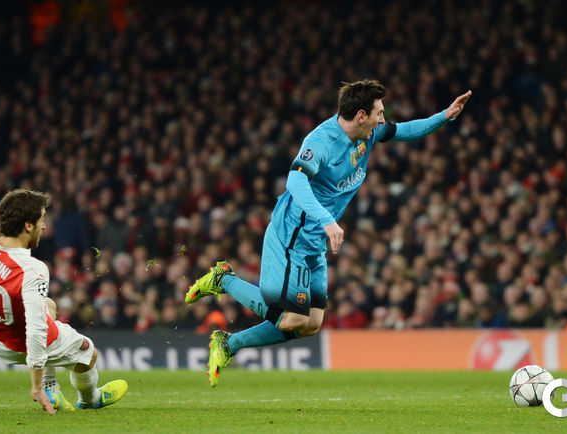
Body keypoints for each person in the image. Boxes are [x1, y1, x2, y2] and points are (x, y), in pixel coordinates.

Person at [187, 80, 471, 386]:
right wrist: (327, 220)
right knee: (291, 317)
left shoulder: (370, 134)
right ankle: (223, 279)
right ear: (361, 115)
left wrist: (444, 116)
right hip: (291, 236)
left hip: (315, 241)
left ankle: (228, 344)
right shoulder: (321, 141)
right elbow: (295, 182)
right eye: (378, 112)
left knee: (310, 324)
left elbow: (405, 130)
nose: (382, 119)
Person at [0, 189, 128, 414]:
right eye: (42, 219)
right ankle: (89, 399)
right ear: (28, 225)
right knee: (89, 354)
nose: (44, 226)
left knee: (49, 305)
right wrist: (36, 386)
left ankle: (51, 387)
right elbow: (36, 329)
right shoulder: (32, 269)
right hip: (22, 343)